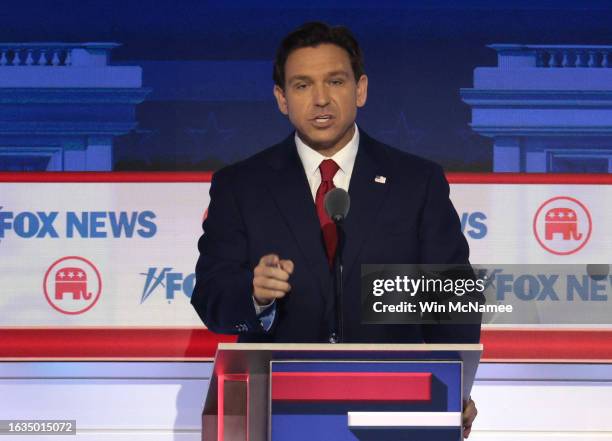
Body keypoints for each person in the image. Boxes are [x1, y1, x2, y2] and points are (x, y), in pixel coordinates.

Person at [191, 21, 479, 437]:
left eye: (336, 81)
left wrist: (456, 388)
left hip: (396, 410)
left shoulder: (417, 182)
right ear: (281, 99)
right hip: (278, 414)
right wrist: (253, 295)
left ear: (360, 89)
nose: (321, 99)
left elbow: (453, 299)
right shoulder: (241, 185)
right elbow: (211, 297)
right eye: (303, 85)